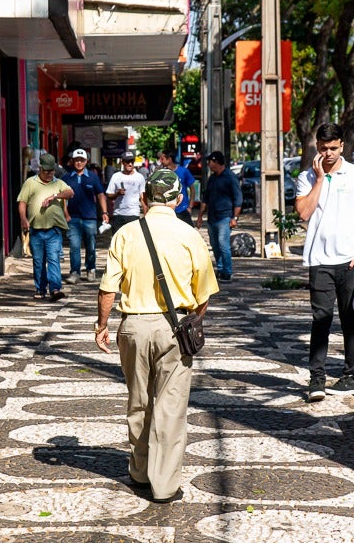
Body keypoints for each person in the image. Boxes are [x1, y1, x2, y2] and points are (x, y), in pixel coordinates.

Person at [95, 169, 219, 503]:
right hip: (175, 328)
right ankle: (163, 486)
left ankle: (138, 471)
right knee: (171, 406)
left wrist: (101, 325)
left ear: (144, 198)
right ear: (180, 199)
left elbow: (108, 287)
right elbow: (204, 292)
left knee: (138, 401)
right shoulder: (190, 235)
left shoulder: (125, 234)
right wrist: (192, 321)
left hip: (133, 326)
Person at [294, 122, 354, 402]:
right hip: (319, 260)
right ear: (316, 147)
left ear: (342, 146)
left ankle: (351, 376)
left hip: (349, 260)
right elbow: (304, 213)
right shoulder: (306, 177)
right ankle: (317, 379)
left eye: (333, 148)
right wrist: (319, 179)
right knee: (321, 319)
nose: (328, 153)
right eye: (323, 148)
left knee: (349, 318)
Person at [17, 153, 75, 301]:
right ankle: (40, 289)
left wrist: (54, 196)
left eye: (52, 171)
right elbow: (22, 202)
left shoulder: (58, 183)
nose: (49, 174)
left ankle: (55, 289)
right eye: (46, 171)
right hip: (36, 229)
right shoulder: (30, 183)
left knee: (54, 259)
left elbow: (70, 192)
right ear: (40, 168)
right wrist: (23, 219)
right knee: (38, 261)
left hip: (53, 230)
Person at [63, 148, 109, 284]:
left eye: (81, 160)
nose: (79, 163)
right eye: (76, 160)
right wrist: (65, 213)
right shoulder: (66, 178)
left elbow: (100, 195)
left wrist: (105, 212)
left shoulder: (93, 177)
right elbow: (61, 198)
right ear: (72, 161)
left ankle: (91, 269)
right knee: (74, 247)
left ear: (86, 161)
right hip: (73, 218)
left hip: (90, 218)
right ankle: (75, 272)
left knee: (91, 246)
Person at [195, 151, 242, 282]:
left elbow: (238, 199)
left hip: (225, 217)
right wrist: (200, 216)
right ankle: (220, 269)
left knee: (223, 245)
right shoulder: (212, 179)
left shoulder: (230, 177)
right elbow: (206, 198)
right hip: (212, 218)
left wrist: (235, 218)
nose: (209, 165)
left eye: (210, 162)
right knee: (215, 245)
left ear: (216, 162)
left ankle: (227, 271)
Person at [106, 150, 147, 233]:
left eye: (132, 161)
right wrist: (117, 194)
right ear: (123, 162)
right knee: (117, 243)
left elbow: (143, 197)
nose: (130, 164)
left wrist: (146, 213)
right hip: (118, 214)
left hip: (133, 214)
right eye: (127, 161)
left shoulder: (139, 177)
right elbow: (108, 195)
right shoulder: (116, 176)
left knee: (132, 242)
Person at [157, 148, 196, 226]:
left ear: (169, 159)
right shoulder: (162, 173)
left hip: (183, 210)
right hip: (168, 211)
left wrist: (190, 206)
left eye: (162, 159)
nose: (160, 161)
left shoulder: (184, 171)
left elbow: (192, 189)